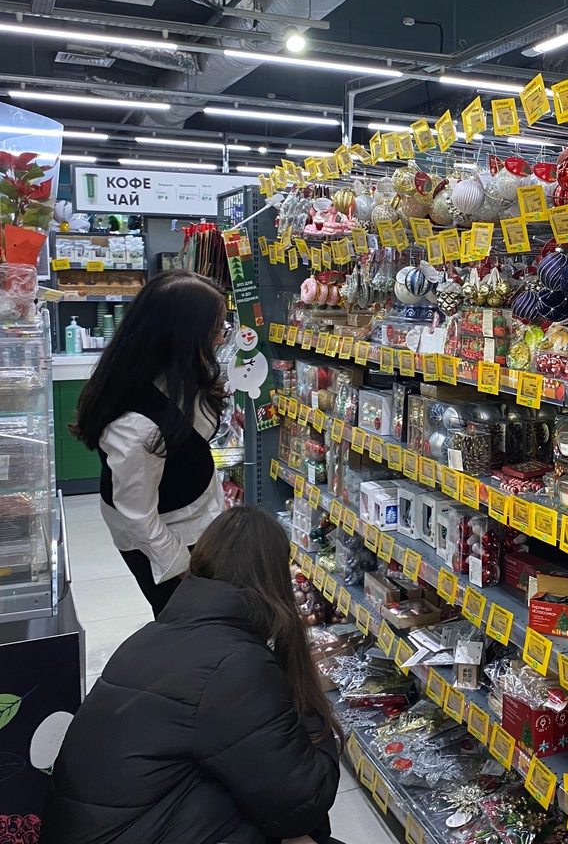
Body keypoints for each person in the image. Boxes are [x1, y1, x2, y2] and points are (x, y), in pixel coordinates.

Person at [42, 506, 343, 844]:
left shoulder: (151, 637)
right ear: (276, 580)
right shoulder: (236, 666)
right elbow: (304, 802)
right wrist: (302, 688)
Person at [73, 269, 229, 616]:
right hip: (163, 540)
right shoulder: (136, 426)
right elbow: (138, 518)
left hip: (195, 520)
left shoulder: (181, 376)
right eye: (214, 330)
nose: (220, 339)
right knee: (186, 623)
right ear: (181, 337)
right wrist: (182, 569)